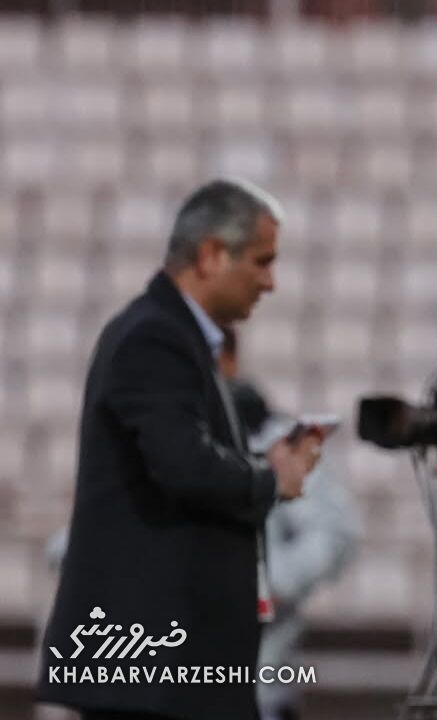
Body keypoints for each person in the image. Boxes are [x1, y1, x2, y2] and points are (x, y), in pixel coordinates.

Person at [37, 179, 324, 720]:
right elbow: (183, 465)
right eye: (261, 261)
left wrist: (263, 468)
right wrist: (269, 479)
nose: (270, 282)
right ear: (212, 254)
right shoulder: (155, 338)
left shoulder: (174, 337)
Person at [219, 327, 358, 720]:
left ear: (229, 360)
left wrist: (265, 583)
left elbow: (334, 531)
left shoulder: (276, 439)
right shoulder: (156, 439)